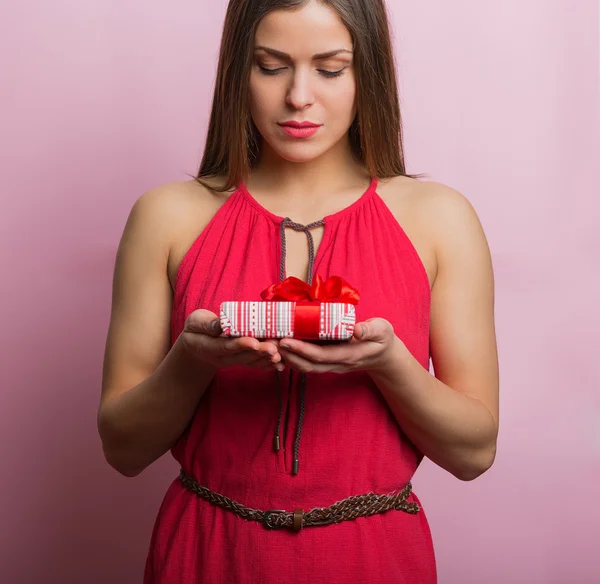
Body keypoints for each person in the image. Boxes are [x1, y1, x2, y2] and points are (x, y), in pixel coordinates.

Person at [98, 0, 499, 582]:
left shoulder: (439, 219)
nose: (299, 97)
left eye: (331, 69)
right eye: (271, 65)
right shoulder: (166, 216)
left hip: (373, 557)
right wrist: (191, 359)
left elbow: (474, 454)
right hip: (208, 554)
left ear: (370, 74)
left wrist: (391, 365)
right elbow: (123, 450)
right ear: (239, 70)